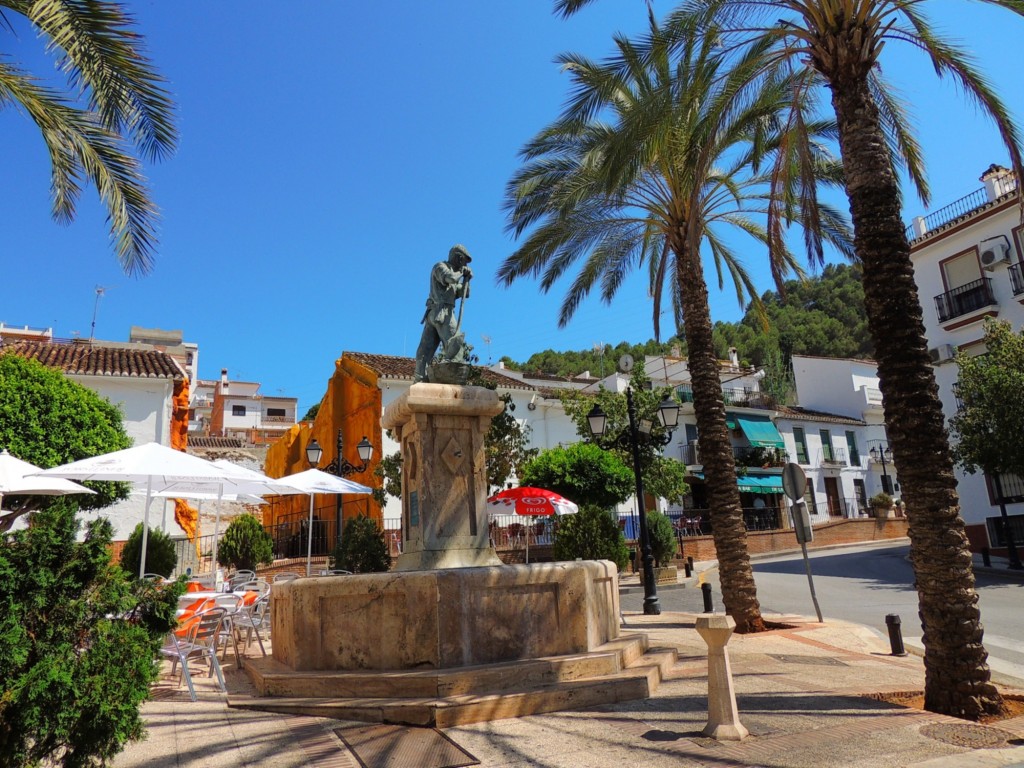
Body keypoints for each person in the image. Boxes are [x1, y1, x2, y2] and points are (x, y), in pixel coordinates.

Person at [414, 244, 473, 382]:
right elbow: (450, 278)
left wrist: (467, 280)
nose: (464, 264)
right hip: (441, 313)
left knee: (424, 351)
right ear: (458, 258)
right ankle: (451, 380)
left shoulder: (455, 272)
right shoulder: (440, 267)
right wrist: (462, 273)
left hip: (440, 313)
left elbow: (464, 293)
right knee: (455, 348)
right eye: (464, 261)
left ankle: (422, 379)